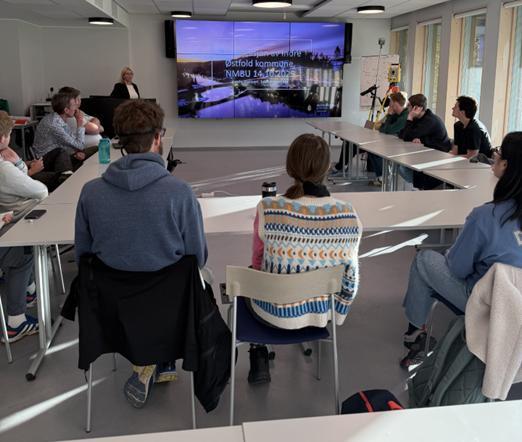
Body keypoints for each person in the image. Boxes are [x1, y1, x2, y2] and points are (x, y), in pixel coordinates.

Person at [75, 99, 207, 407]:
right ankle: (160, 356)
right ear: (158, 138)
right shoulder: (180, 193)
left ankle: (150, 359)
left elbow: (84, 257)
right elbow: (197, 258)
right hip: (169, 308)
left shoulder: (91, 193)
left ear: (119, 141)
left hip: (113, 312)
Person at [247, 133, 362, 384]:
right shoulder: (348, 214)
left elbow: (257, 264)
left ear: (290, 167)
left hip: (271, 312)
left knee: (250, 273)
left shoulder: (268, 208)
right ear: (327, 167)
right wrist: (337, 312)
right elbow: (350, 279)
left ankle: (258, 352)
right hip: (322, 313)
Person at [400, 132, 522, 368]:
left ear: (506, 165)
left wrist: (451, 253)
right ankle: (416, 335)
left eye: (498, 153)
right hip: (517, 303)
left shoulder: (485, 216)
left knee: (424, 260)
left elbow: (458, 269)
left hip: (488, 303)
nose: (494, 156)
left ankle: (416, 335)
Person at [0, 111, 48, 342]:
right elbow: (41, 191)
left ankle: (29, 291)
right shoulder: (4, 168)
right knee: (23, 253)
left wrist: (18, 165)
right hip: (5, 232)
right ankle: (15, 323)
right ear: (3, 138)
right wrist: (19, 163)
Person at [32, 93, 98, 171]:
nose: (76, 108)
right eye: (74, 105)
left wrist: (78, 151)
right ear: (66, 110)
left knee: (97, 148)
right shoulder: (54, 124)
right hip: (47, 161)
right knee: (85, 156)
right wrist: (79, 123)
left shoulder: (59, 118)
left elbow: (74, 143)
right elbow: (80, 145)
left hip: (60, 154)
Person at [398, 94, 451, 186]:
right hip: (427, 152)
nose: (407, 108)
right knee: (401, 165)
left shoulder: (430, 120)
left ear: (417, 108)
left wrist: (410, 117)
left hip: (438, 155)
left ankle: (419, 187)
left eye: (409, 106)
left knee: (403, 167)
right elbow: (402, 134)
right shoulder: (419, 118)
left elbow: (406, 137)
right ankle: (417, 186)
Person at [368, 92, 409, 186]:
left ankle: (383, 177)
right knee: (371, 150)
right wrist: (388, 116)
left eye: (391, 102)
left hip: (401, 146)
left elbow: (387, 130)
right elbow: (384, 128)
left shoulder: (404, 116)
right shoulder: (397, 114)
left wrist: (389, 115)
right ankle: (381, 176)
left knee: (375, 151)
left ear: (395, 104)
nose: (389, 105)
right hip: (393, 141)